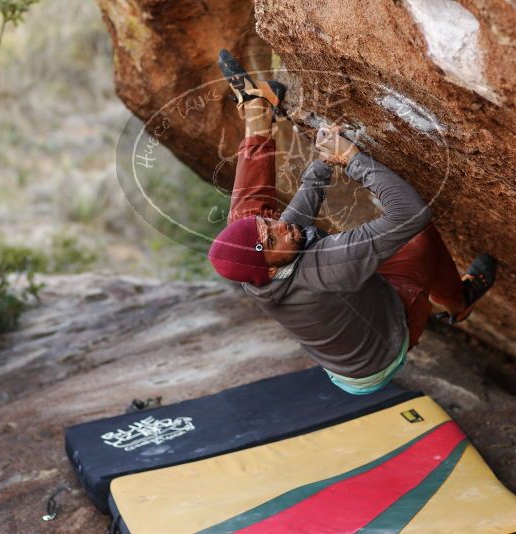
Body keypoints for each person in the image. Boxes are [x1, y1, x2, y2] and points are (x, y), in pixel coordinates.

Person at [208, 50, 497, 395]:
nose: (278, 226)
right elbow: (411, 214)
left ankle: (257, 114)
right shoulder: (326, 266)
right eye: (271, 240)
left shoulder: (259, 269)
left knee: (243, 222)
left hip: (342, 328)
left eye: (269, 225)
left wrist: (320, 167)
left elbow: (277, 228)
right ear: (270, 271)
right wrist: (349, 158)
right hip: (382, 350)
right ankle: (458, 302)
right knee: (416, 238)